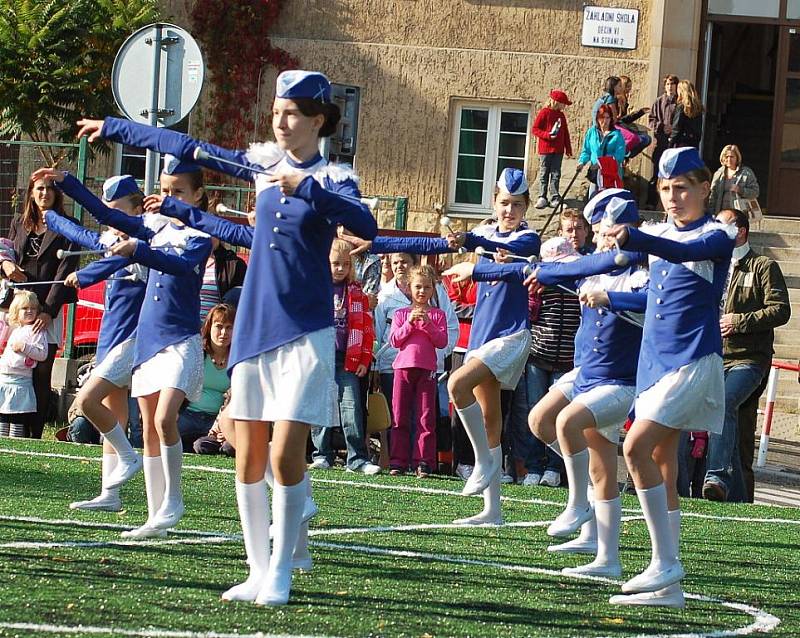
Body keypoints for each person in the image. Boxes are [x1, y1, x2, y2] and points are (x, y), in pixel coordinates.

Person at [76, 69, 378, 606]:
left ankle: (282, 569)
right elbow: (189, 145)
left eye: (291, 114)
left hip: (305, 328)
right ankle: (257, 569)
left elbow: (365, 225)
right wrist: (118, 128)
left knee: (286, 453)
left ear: (317, 120)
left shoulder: (334, 179)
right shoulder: (261, 165)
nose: (280, 123)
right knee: (247, 454)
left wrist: (307, 188)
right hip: (254, 328)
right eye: (276, 112)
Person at [37, 156, 213, 540]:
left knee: (165, 418)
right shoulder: (151, 226)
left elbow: (176, 265)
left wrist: (135, 250)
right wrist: (66, 183)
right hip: (147, 341)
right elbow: (103, 215)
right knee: (150, 428)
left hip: (178, 339)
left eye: (177, 193)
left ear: (198, 197)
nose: (167, 199)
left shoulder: (199, 238)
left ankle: (174, 500)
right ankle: (155, 517)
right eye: (164, 191)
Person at [604, 147, 736, 608]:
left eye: (682, 187)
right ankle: (669, 586)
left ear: (704, 187)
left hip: (692, 361)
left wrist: (635, 237)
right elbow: (605, 269)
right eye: (665, 188)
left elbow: (681, 250)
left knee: (634, 446)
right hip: (655, 364)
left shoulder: (719, 234)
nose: (674, 196)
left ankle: (664, 563)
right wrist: (541, 271)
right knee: (662, 459)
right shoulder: (656, 233)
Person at [528, 191, 647, 579]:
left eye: (614, 231)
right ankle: (598, 544)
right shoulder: (593, 265)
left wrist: (610, 298)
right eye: (602, 231)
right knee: (542, 422)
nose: (606, 239)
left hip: (620, 380)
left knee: (568, 424)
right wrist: (530, 271)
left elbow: (649, 301)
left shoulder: (643, 269)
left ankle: (580, 506)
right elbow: (557, 270)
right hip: (585, 374)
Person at [35, 173, 148, 512]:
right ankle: (110, 494)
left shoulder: (142, 241)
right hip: (109, 337)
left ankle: (129, 456)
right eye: (108, 212)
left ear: (137, 208)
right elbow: (81, 234)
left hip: (132, 338)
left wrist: (83, 276)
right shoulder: (114, 239)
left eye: (117, 211)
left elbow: (114, 261)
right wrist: (51, 217)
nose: (112, 219)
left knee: (86, 401)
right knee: (113, 412)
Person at [702, 208, 790, 502]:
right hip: (714, 356)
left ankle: (715, 475)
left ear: (741, 231)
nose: (715, 230)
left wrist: (738, 321)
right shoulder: (713, 265)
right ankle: (739, 499)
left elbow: (780, 309)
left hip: (749, 359)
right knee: (738, 436)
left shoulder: (763, 265)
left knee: (723, 404)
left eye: (722, 225)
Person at [0, 174, 80, 438]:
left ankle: (33, 432)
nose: (45, 193)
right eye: (40, 189)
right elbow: (7, 250)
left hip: (47, 309)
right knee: (13, 367)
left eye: (50, 189)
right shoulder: (18, 222)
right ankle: (9, 426)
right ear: (31, 193)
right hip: (18, 306)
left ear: (58, 195)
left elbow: (66, 271)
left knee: (41, 371)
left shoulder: (70, 226)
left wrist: (47, 311)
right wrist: (6, 265)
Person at [309, 238, 379, 475]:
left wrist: (364, 359)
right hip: (320, 358)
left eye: (346, 264)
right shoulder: (317, 290)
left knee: (352, 408)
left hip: (347, 359)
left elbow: (367, 329)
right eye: (335, 264)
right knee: (321, 407)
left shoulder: (357, 292)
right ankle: (321, 455)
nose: (340, 269)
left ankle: (357, 459)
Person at [388, 264, 448, 477]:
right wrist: (410, 324)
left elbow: (442, 342)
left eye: (427, 287)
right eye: (418, 287)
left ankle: (423, 461)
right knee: (399, 416)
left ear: (433, 289)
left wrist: (428, 323)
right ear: (409, 288)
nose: (422, 291)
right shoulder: (401, 314)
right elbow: (394, 340)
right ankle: (398, 461)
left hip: (427, 370)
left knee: (425, 417)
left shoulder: (438, 315)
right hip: (402, 369)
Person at [178, 303, 235, 451]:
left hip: (217, 420)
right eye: (219, 326)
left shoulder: (238, 360)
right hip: (188, 416)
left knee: (225, 446)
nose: (224, 332)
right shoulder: (197, 353)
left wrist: (224, 426)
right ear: (209, 327)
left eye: (229, 327)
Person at [0, 291, 49, 437]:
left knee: (17, 416)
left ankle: (17, 443)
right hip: (5, 379)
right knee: (2, 414)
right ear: (16, 311)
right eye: (25, 308)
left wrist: (24, 347)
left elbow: (42, 354)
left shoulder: (37, 331)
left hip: (20, 381)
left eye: (33, 309)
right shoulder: (16, 330)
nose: (29, 311)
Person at [531, 89, 573, 209]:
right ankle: (542, 196)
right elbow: (535, 129)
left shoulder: (561, 115)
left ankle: (554, 196)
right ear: (556, 102)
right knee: (544, 172)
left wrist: (568, 148)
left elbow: (565, 133)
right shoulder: (544, 113)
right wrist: (547, 135)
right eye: (563, 103)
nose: (564, 106)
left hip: (558, 150)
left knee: (556, 173)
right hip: (545, 149)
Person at [579, 105, 626, 198]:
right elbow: (586, 151)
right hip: (595, 174)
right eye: (602, 117)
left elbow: (619, 156)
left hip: (611, 175)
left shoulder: (617, 135)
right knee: (593, 201)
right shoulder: (591, 132)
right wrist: (582, 162)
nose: (605, 121)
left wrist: (601, 164)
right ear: (597, 118)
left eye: (607, 117)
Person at [199, 238, 247, 323]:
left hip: (217, 330)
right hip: (187, 328)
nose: (207, 237)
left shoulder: (235, 264)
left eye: (211, 233)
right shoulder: (186, 261)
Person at [648, 75, 679, 205]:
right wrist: (662, 127)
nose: (670, 87)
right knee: (657, 174)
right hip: (660, 142)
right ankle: (651, 202)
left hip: (674, 144)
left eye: (672, 84)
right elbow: (651, 120)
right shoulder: (659, 101)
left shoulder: (680, 102)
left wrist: (674, 129)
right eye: (667, 84)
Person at [708, 145, 760, 215]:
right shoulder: (718, 174)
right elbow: (712, 196)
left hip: (738, 215)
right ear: (723, 158)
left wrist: (740, 190)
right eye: (726, 157)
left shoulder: (746, 173)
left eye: (732, 157)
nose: (729, 159)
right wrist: (711, 214)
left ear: (737, 158)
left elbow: (755, 192)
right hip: (721, 215)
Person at [669, 80, 703, 149]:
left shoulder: (681, 107)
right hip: (693, 145)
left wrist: (670, 143)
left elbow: (677, 128)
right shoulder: (698, 108)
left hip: (681, 144)